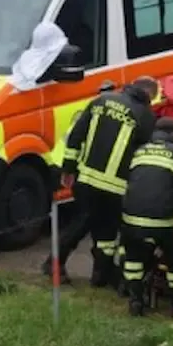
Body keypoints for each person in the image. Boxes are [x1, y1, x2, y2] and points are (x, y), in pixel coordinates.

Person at [61, 76, 158, 288]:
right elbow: (141, 153)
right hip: (116, 185)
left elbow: (76, 135)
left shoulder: (101, 100)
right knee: (108, 230)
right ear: (149, 94)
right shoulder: (146, 116)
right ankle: (78, 268)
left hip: (86, 178)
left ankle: (98, 274)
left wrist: (68, 168)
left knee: (83, 223)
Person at [119, 116, 173, 317]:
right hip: (163, 220)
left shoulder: (139, 151)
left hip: (131, 217)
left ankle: (135, 300)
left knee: (133, 260)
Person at [41, 79, 116, 284]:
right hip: (69, 172)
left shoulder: (91, 110)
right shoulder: (100, 117)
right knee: (82, 221)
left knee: (93, 220)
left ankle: (101, 273)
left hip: (67, 168)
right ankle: (53, 264)